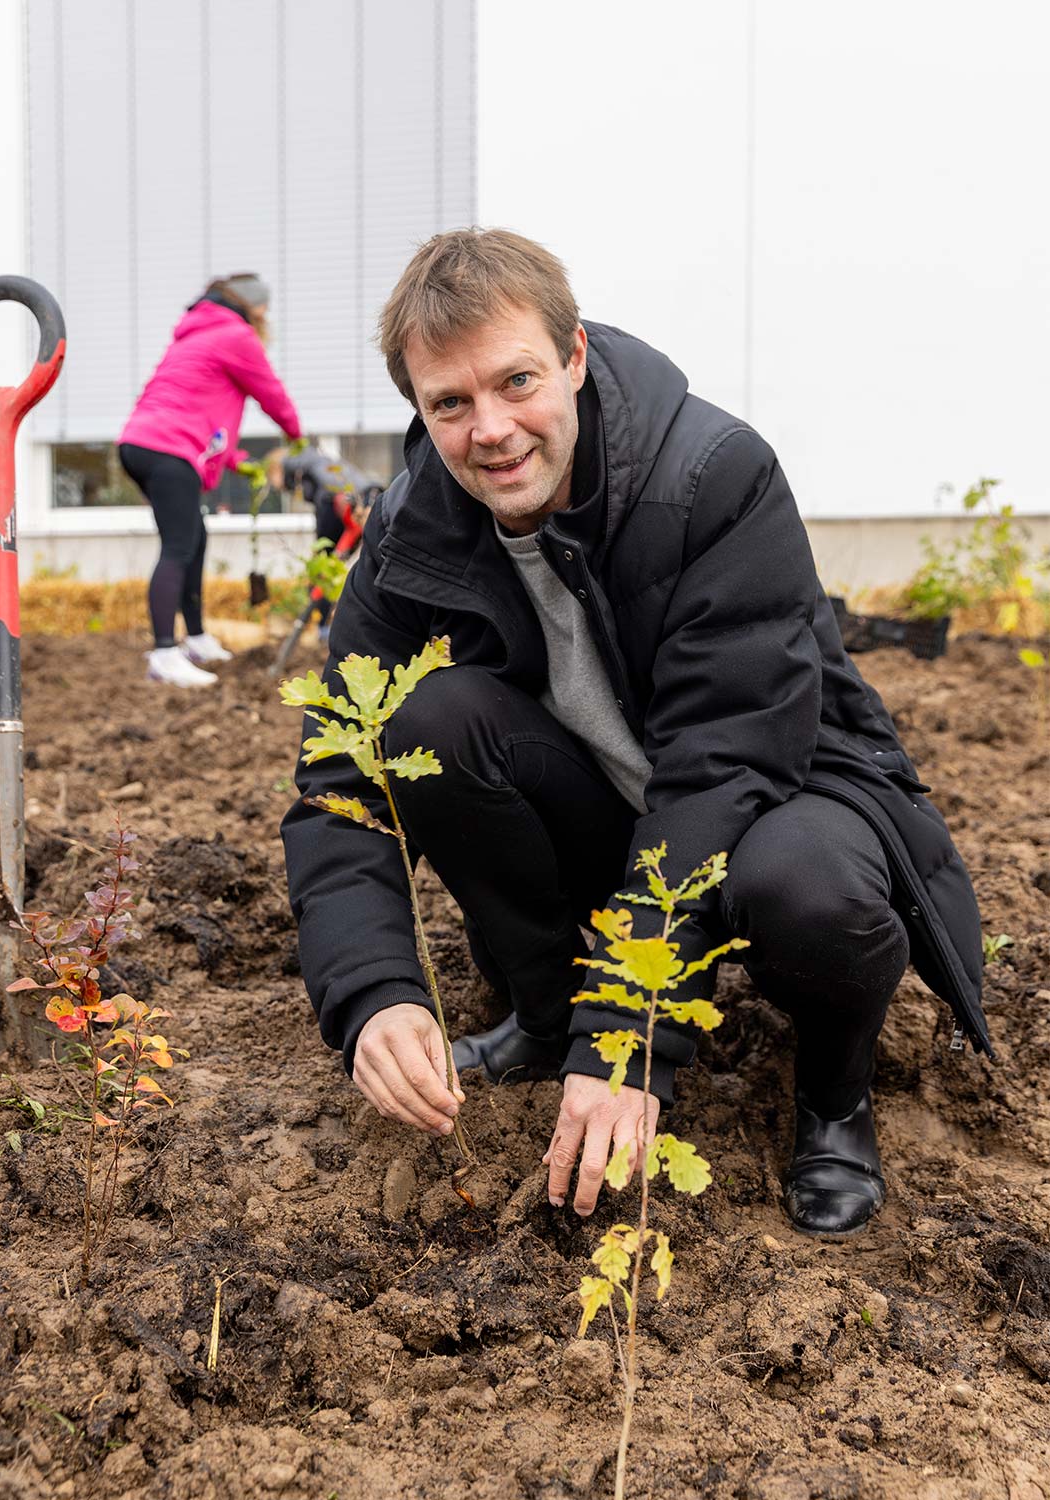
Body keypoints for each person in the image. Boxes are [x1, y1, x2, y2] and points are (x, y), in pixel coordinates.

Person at [281, 229, 989, 1238]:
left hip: (781, 795)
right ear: (420, 408)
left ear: (571, 357)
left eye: (515, 381)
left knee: (803, 890)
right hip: (611, 804)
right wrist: (373, 992)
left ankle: (832, 1097)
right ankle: (541, 1012)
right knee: (414, 726)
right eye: (450, 403)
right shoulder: (413, 529)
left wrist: (626, 1040)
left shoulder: (712, 477)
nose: (489, 429)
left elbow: (719, 767)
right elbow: (338, 779)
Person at [119, 273, 303, 686]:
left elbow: (196, 411)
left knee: (193, 539)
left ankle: (196, 637)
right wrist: (297, 437)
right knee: (179, 545)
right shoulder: (236, 335)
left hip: (143, 443)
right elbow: (270, 393)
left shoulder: (194, 335)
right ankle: (165, 653)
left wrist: (235, 460)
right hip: (168, 449)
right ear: (254, 307)